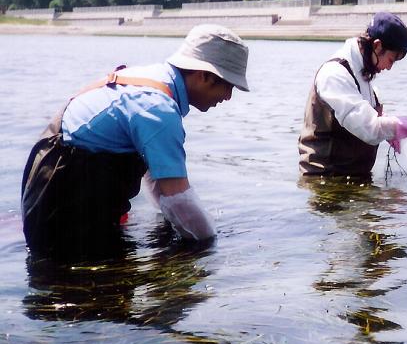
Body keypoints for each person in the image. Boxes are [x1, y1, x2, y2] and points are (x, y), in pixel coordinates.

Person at [21, 24, 249, 256]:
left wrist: (172, 221)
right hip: (64, 201)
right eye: (228, 85)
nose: (229, 97)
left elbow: (157, 180)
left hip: (56, 181)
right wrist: (210, 244)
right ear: (203, 76)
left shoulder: (150, 81)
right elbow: (179, 200)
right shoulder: (157, 108)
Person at [299, 12, 407, 176]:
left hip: (351, 179)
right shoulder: (334, 74)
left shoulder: (362, 73)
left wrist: (389, 130)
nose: (389, 68)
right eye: (391, 59)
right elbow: (368, 128)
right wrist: (398, 126)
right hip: (325, 181)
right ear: (377, 46)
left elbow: (366, 114)